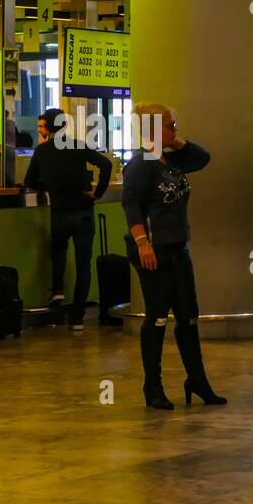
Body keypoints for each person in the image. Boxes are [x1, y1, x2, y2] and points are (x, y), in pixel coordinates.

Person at [121, 103, 223, 410]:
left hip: (179, 246)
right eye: (170, 125)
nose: (175, 130)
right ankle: (153, 386)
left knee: (188, 316)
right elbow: (131, 205)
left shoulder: (173, 160)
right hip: (153, 248)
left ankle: (197, 380)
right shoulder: (141, 163)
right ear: (151, 128)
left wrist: (175, 141)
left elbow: (202, 158)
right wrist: (143, 243)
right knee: (157, 318)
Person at [23, 107, 113, 330]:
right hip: (83, 211)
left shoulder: (42, 151)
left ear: (47, 129)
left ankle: (57, 291)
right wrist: (97, 193)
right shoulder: (77, 145)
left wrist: (52, 186)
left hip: (59, 211)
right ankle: (78, 317)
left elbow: (30, 181)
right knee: (84, 264)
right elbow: (106, 164)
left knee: (58, 251)